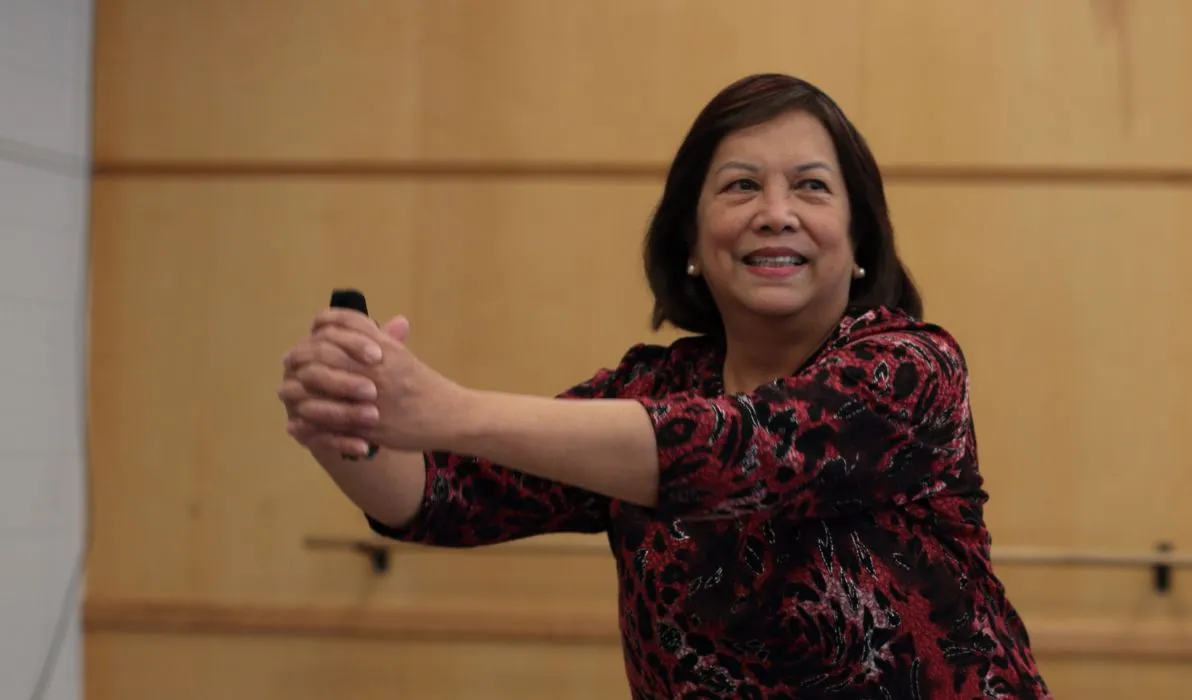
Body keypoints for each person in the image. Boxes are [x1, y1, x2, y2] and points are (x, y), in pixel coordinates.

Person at [277, 73, 1052, 700]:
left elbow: (736, 452)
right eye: (741, 186)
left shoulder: (911, 370)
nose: (775, 214)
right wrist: (347, 412)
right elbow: (439, 494)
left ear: (859, 243)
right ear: (690, 240)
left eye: (811, 188)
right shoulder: (652, 386)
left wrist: (448, 410)